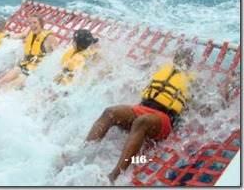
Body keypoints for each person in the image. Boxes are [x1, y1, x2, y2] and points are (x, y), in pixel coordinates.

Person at [84, 47, 196, 183]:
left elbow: (203, 105)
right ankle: (84, 152)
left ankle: (114, 176)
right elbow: (141, 70)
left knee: (141, 122)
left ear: (190, 62)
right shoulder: (163, 69)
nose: (183, 58)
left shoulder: (193, 81)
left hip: (164, 118)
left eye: (186, 57)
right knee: (110, 112)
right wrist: (149, 59)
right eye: (180, 55)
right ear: (175, 58)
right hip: (143, 108)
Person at [0, 12, 59, 93]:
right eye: (30, 23)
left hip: (34, 71)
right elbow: (24, 39)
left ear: (41, 23)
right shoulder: (31, 33)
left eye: (35, 22)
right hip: (25, 65)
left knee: (9, 87)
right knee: (3, 80)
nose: (32, 25)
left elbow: (58, 55)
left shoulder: (49, 38)